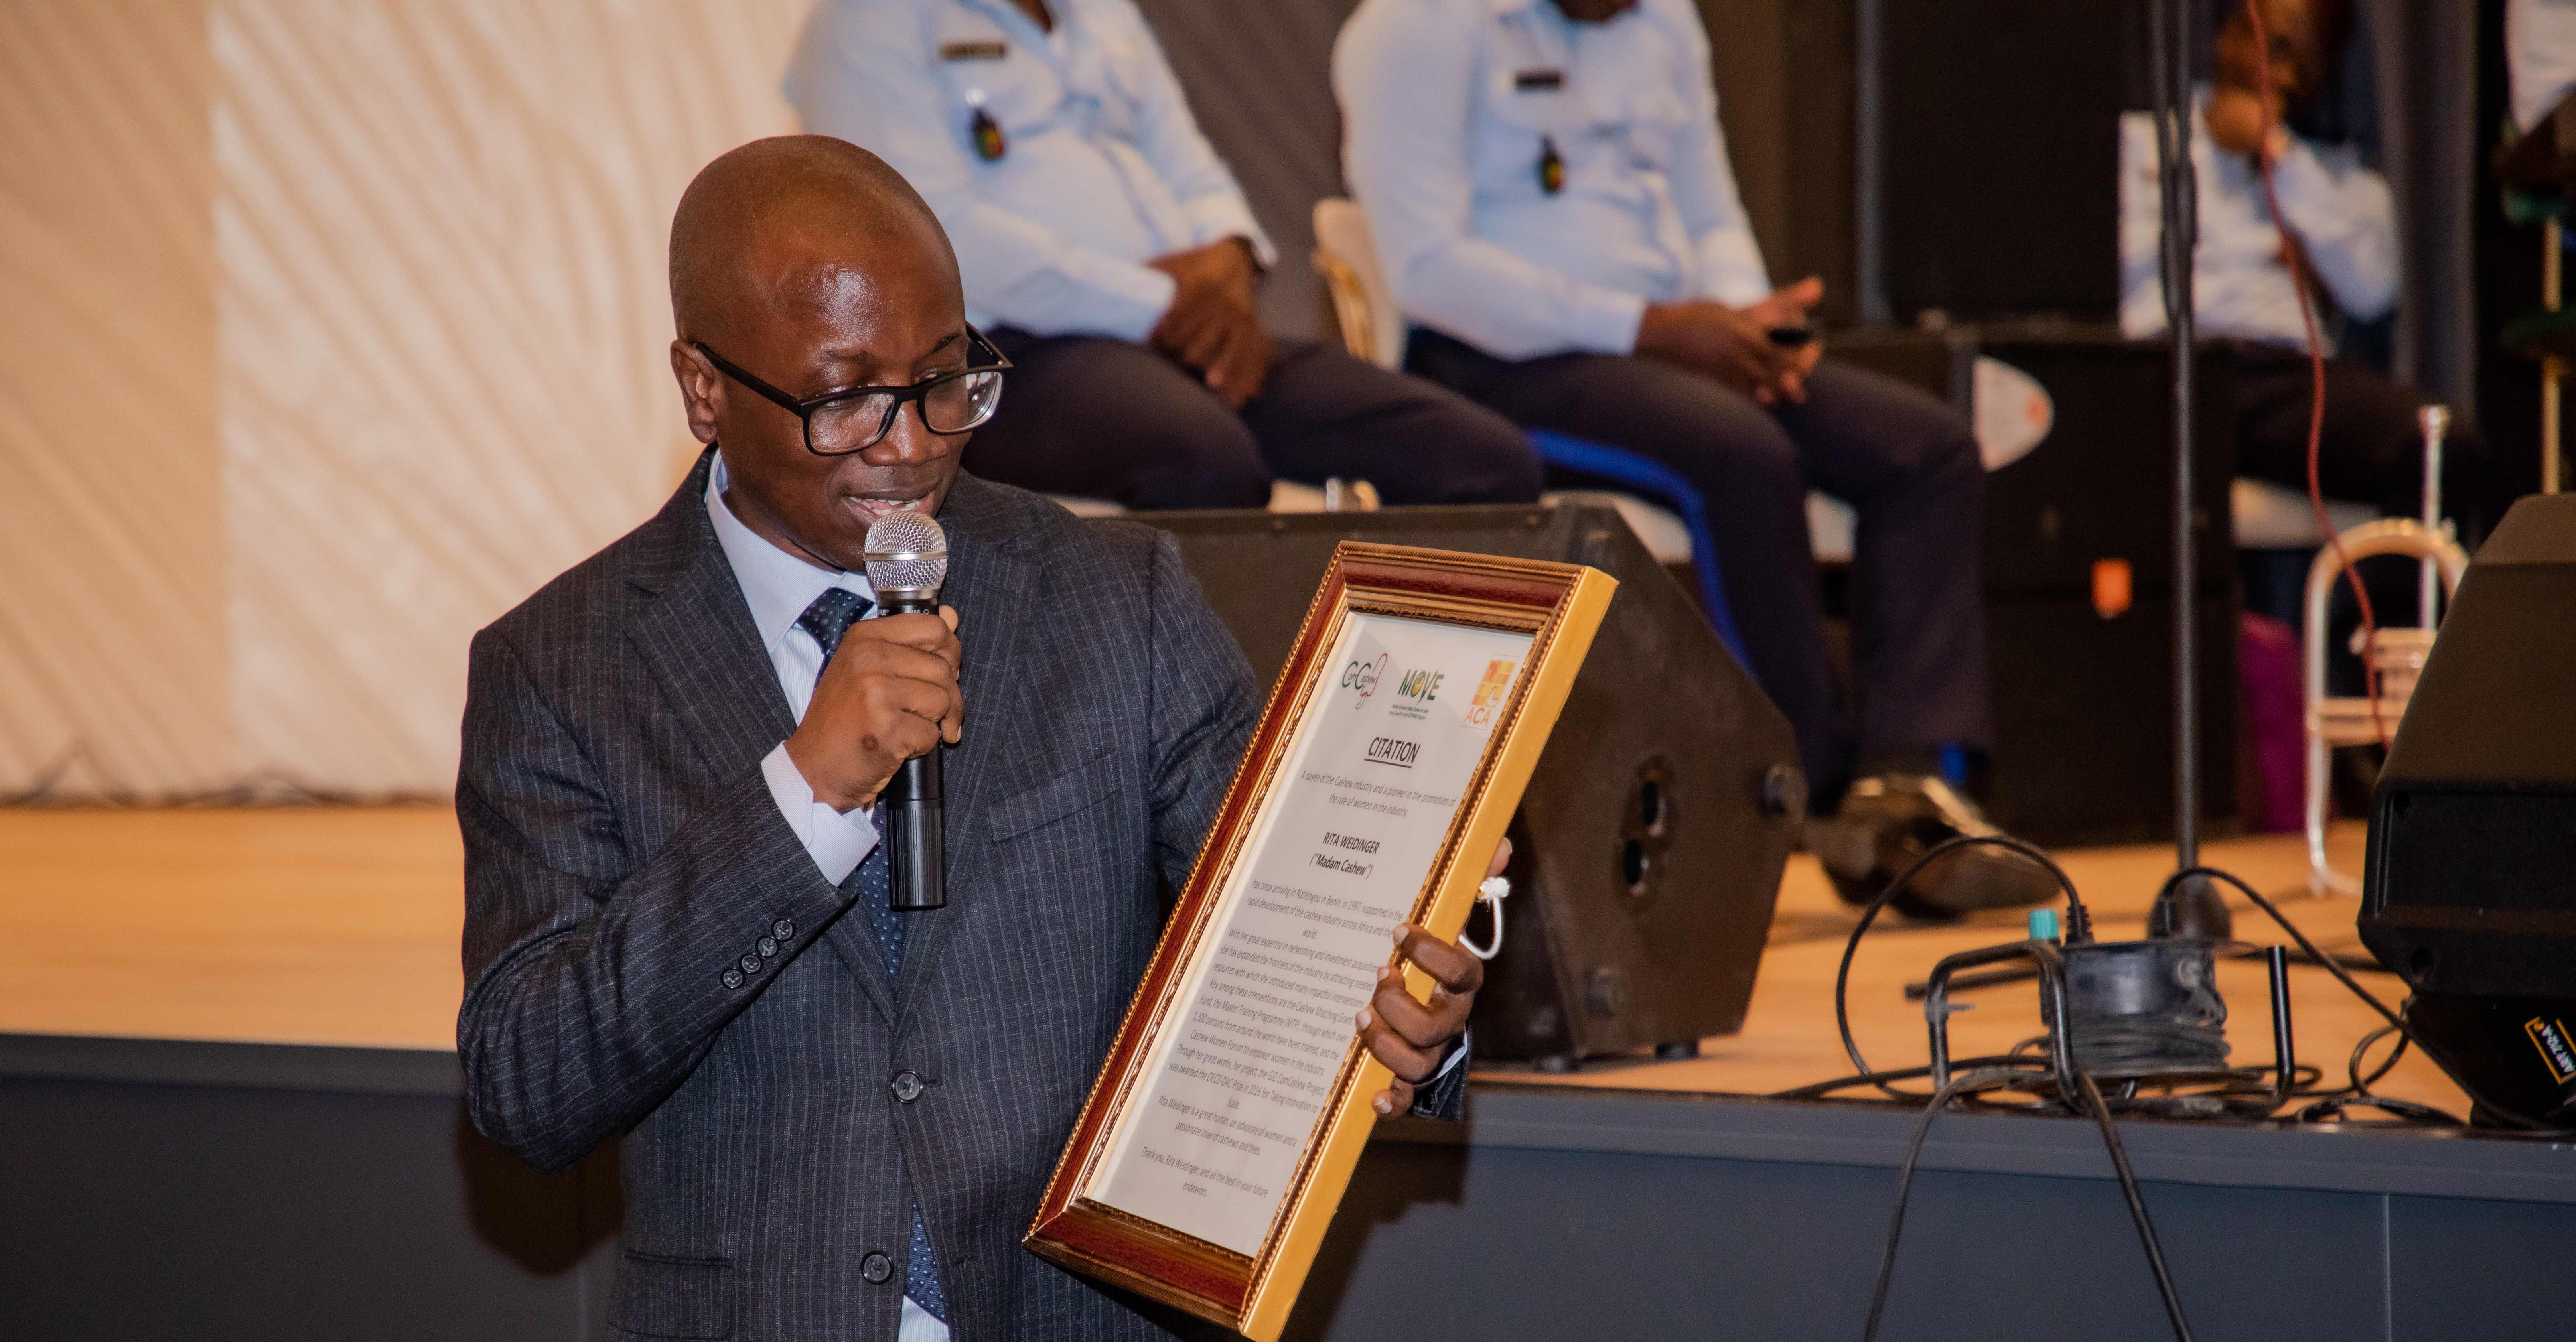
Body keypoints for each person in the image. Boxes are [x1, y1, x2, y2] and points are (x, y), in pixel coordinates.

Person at [454, 136, 1493, 1342]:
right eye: (846, 400)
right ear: (704, 389)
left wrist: (1401, 1015)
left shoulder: (1116, 598)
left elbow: (1284, 937)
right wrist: (804, 796)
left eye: (948, 381)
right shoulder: (562, 665)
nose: (911, 445)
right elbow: (528, 1080)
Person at [1333, 0, 2058, 919]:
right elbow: (1429, 269)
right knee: (1739, 455)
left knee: (1926, 449)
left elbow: (1709, 209)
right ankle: (1804, 785)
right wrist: (1650, 328)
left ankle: (1911, 792)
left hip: (1677, 345)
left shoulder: (1664, 19)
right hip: (1500, 361)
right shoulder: (1414, 25)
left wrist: (1746, 318)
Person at [787, 0, 1544, 514]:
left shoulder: (1102, 11)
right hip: (1012, 355)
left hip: (1191, 330)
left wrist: (1234, 266)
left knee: (1479, 459)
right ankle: (1205, 702)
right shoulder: (869, 21)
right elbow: (934, 238)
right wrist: (1160, 304)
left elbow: (1195, 168)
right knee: (1203, 462)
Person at [2121, 0, 2496, 543]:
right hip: (2159, 367)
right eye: (2276, 48)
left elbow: (2373, 292)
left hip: (2281, 383)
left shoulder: (2340, 179)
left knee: (2442, 450)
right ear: (2228, 35)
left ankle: (2379, 601)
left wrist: (2282, 159)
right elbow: (2094, 271)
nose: (2286, 77)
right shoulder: (2140, 143)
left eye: (2309, 63)